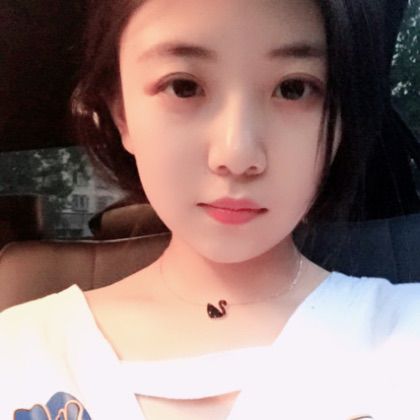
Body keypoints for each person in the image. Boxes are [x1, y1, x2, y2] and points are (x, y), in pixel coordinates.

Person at [1, 0, 420, 419]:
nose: (237, 155)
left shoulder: (407, 331)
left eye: (294, 88)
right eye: (184, 87)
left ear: (340, 119)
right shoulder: (17, 347)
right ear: (121, 113)